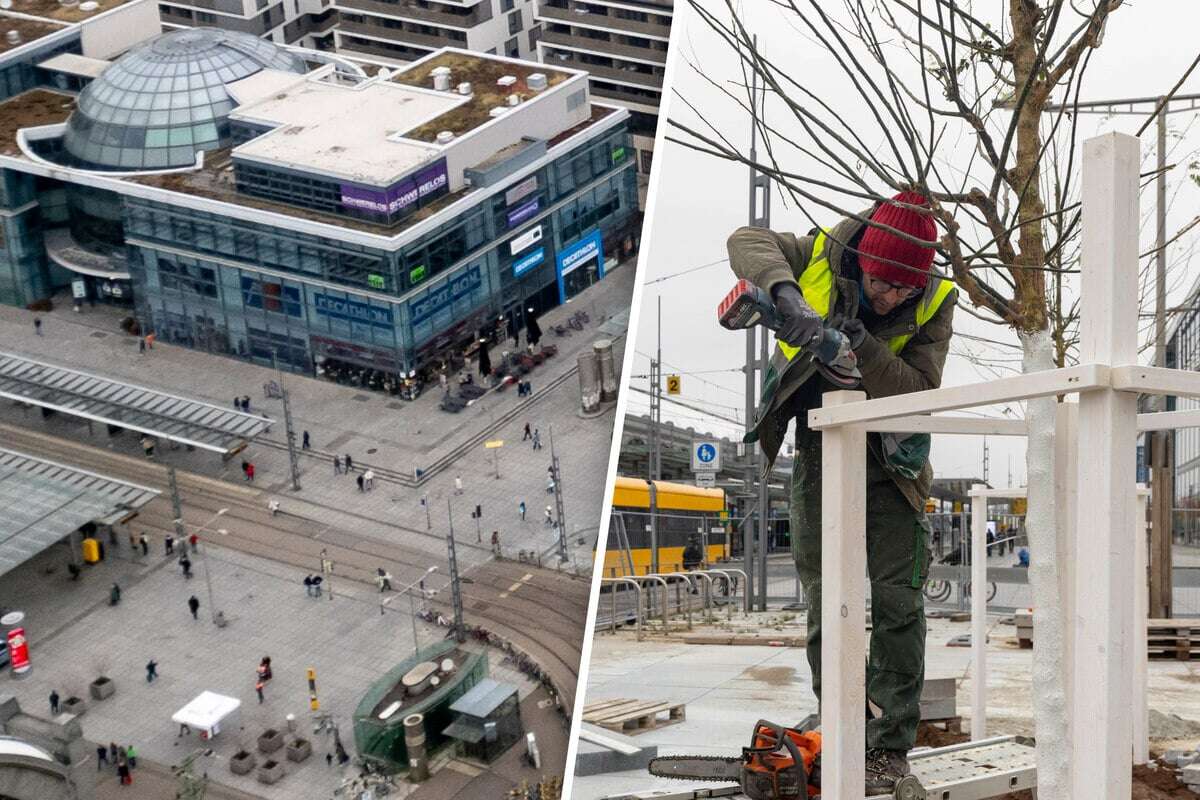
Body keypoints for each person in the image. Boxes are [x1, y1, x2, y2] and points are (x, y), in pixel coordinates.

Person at [726, 191, 954, 794]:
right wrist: (785, 294)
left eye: (904, 290)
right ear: (862, 258)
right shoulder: (823, 253)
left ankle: (889, 746)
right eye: (883, 284)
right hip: (820, 449)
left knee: (899, 605)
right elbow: (746, 242)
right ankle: (844, 724)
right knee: (827, 599)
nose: (891, 297)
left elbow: (917, 389)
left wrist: (863, 347)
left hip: (894, 464)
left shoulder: (934, 300)